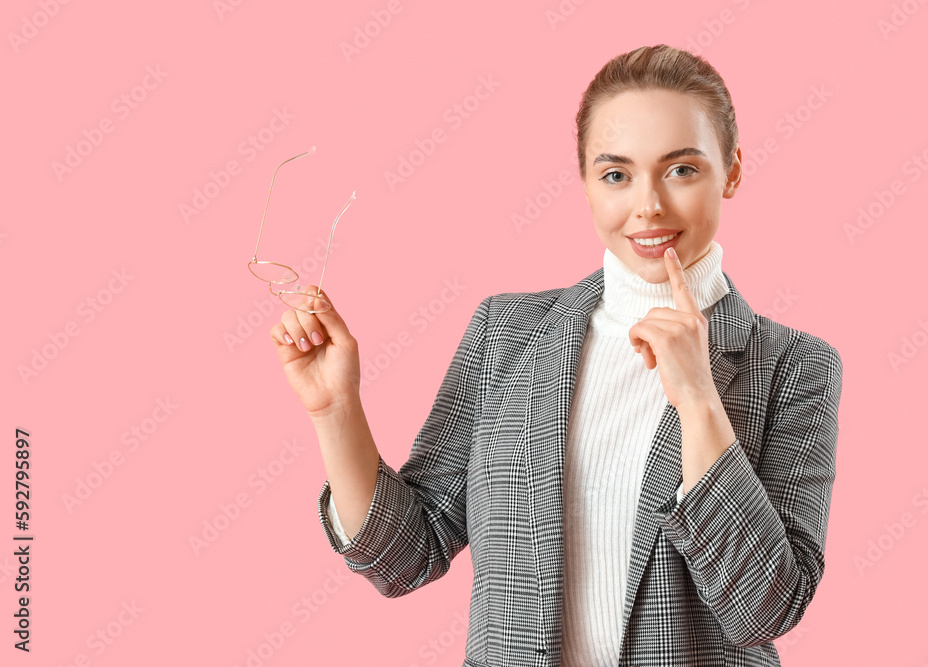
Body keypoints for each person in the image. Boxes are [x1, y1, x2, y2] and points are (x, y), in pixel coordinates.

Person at [269, 44, 843, 667]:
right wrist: (335, 410)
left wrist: (699, 398)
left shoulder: (794, 365)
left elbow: (766, 608)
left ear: (731, 171)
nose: (647, 205)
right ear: (587, 184)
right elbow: (406, 554)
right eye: (616, 174)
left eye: (681, 169)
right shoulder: (507, 334)